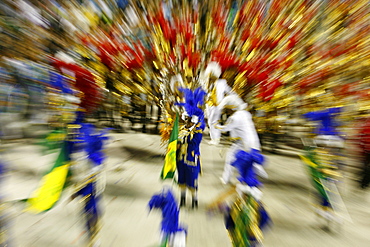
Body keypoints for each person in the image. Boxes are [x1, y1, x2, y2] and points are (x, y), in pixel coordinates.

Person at [216, 95, 265, 185]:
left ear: (232, 108)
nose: (227, 111)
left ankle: (226, 179)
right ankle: (258, 170)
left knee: (231, 158)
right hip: (254, 142)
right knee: (251, 159)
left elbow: (225, 128)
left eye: (227, 109)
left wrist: (216, 126)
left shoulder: (235, 117)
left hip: (244, 144)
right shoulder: (246, 114)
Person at [176, 87, 206, 208]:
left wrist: (187, 133)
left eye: (188, 120)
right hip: (181, 158)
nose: (186, 122)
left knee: (192, 180)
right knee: (181, 178)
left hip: (192, 158)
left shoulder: (197, 132)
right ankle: (182, 199)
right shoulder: (182, 129)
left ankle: (194, 200)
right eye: (185, 119)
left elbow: (193, 141)